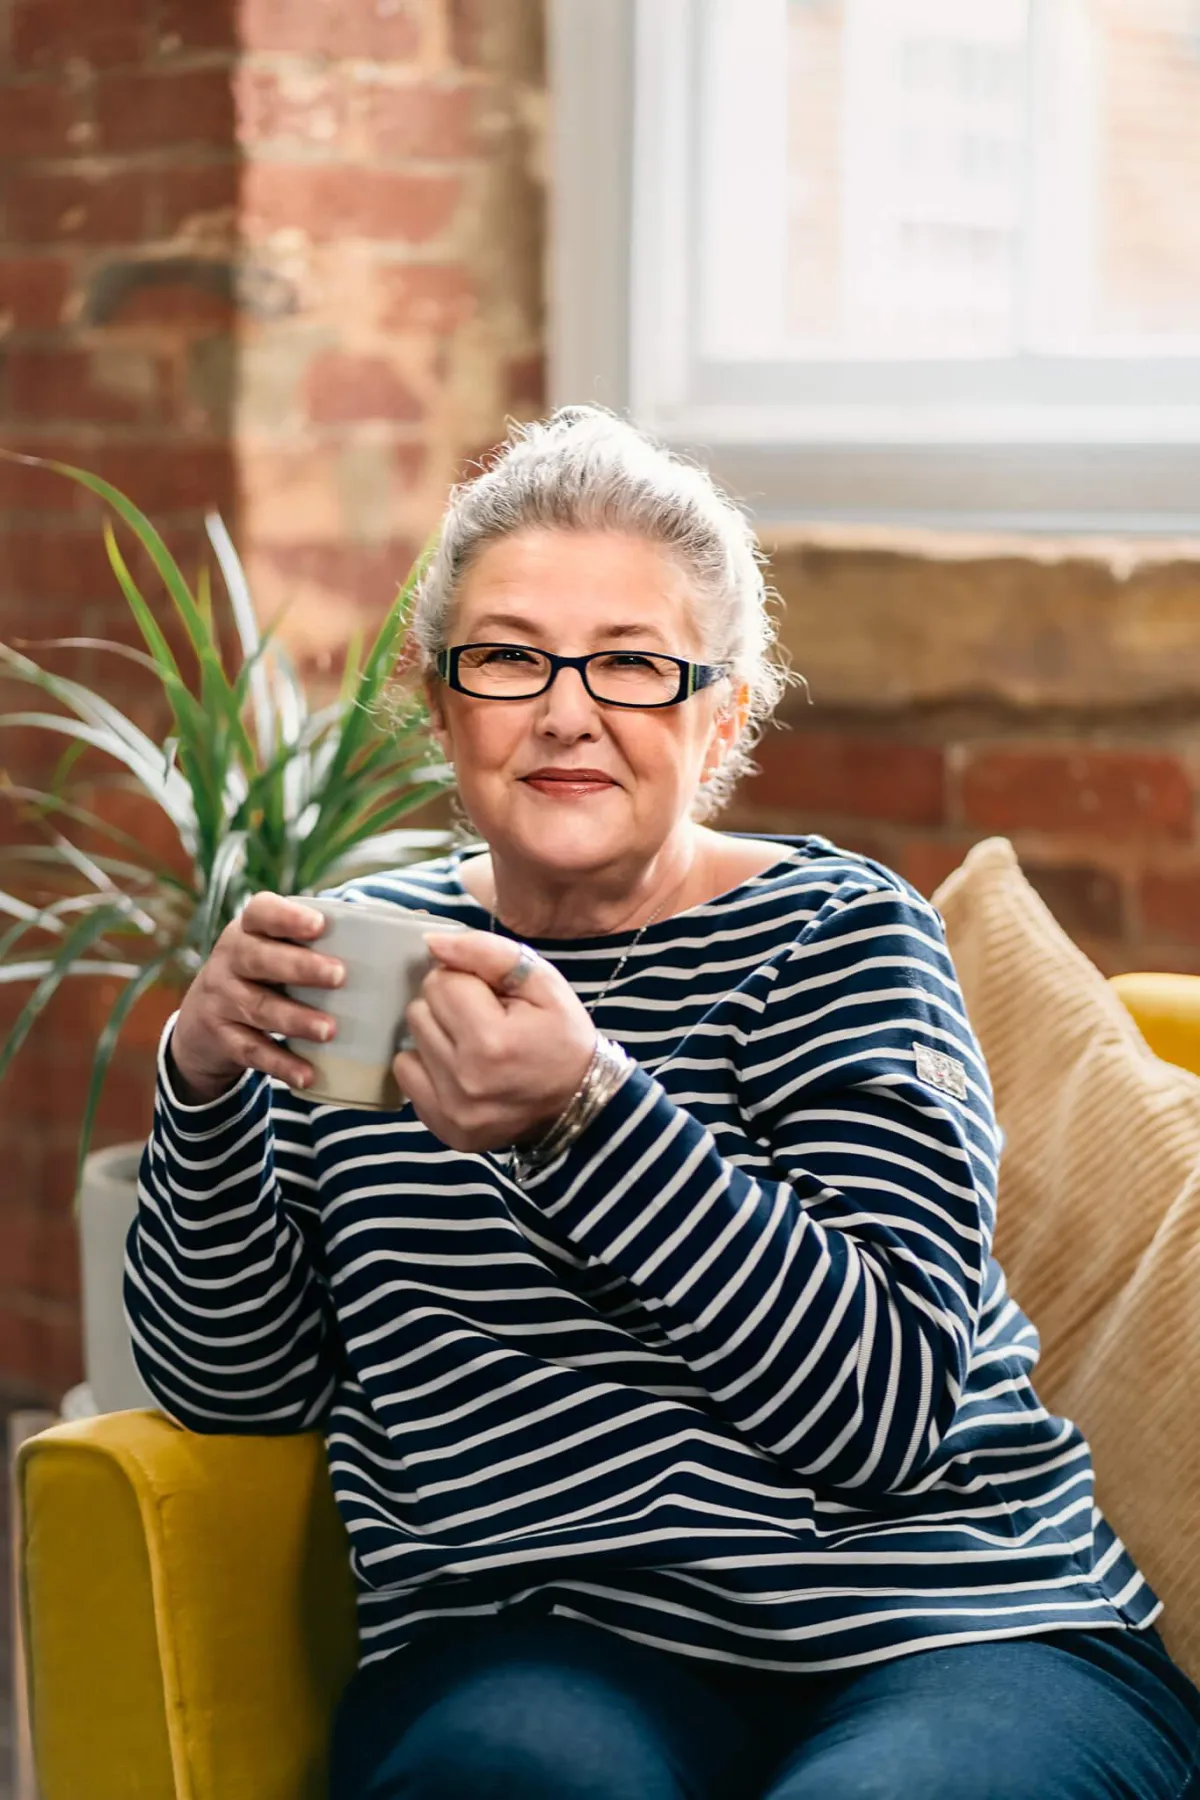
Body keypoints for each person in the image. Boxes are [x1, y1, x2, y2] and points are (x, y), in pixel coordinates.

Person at [126, 407, 1200, 1799]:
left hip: (956, 1625)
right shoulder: (360, 960)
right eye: (511, 656)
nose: (568, 709)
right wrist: (201, 1086)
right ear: (442, 700)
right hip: (542, 1646)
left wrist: (587, 1116)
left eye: (633, 663)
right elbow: (235, 1386)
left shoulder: (841, 935)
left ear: (721, 717)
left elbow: (881, 1414)